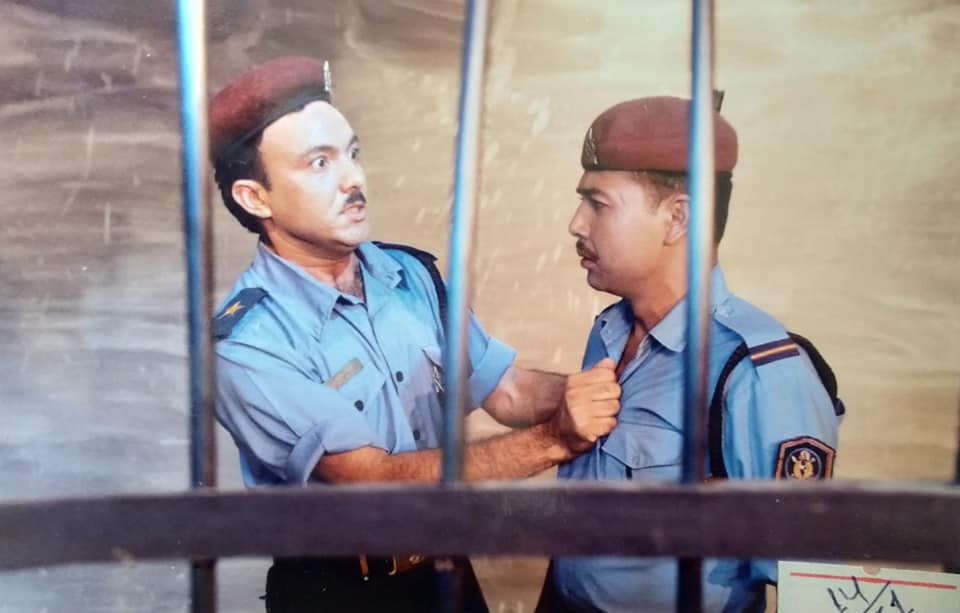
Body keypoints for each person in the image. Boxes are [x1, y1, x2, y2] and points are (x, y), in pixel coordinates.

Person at [207, 56, 622, 613]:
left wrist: (625, 384)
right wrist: (555, 440)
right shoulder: (247, 343)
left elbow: (508, 391)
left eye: (353, 153)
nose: (354, 180)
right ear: (255, 197)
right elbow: (373, 480)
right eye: (320, 163)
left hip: (446, 574)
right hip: (341, 597)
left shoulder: (408, 275)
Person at [537, 97, 842, 612]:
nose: (576, 223)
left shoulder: (760, 374)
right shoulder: (609, 331)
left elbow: (806, 581)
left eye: (598, 204)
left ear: (677, 218)